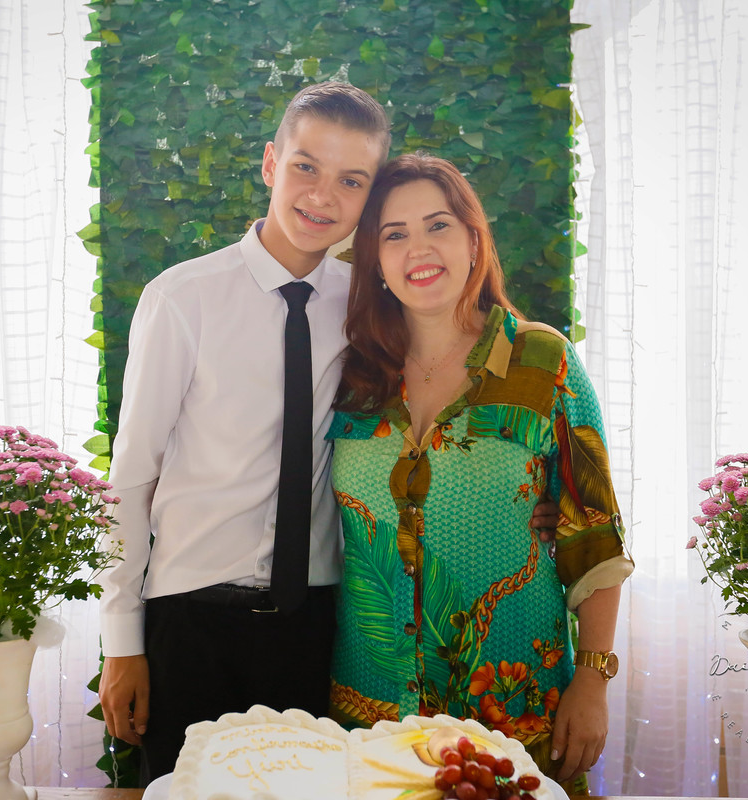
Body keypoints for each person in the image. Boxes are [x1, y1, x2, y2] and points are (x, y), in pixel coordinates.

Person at [96, 82, 561, 784]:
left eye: (352, 180)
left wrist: (525, 500)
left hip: (317, 625)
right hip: (191, 619)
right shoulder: (182, 299)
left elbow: (437, 404)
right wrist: (121, 640)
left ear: (369, 200)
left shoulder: (374, 305)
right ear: (270, 163)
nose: (322, 195)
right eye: (305, 167)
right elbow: (130, 478)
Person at [326, 153, 633, 796]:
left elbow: (594, 535)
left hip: (512, 709)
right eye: (394, 234)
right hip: (370, 709)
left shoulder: (543, 361)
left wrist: (593, 680)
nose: (419, 249)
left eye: (437, 225)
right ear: (375, 261)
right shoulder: (350, 374)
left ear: (473, 239)